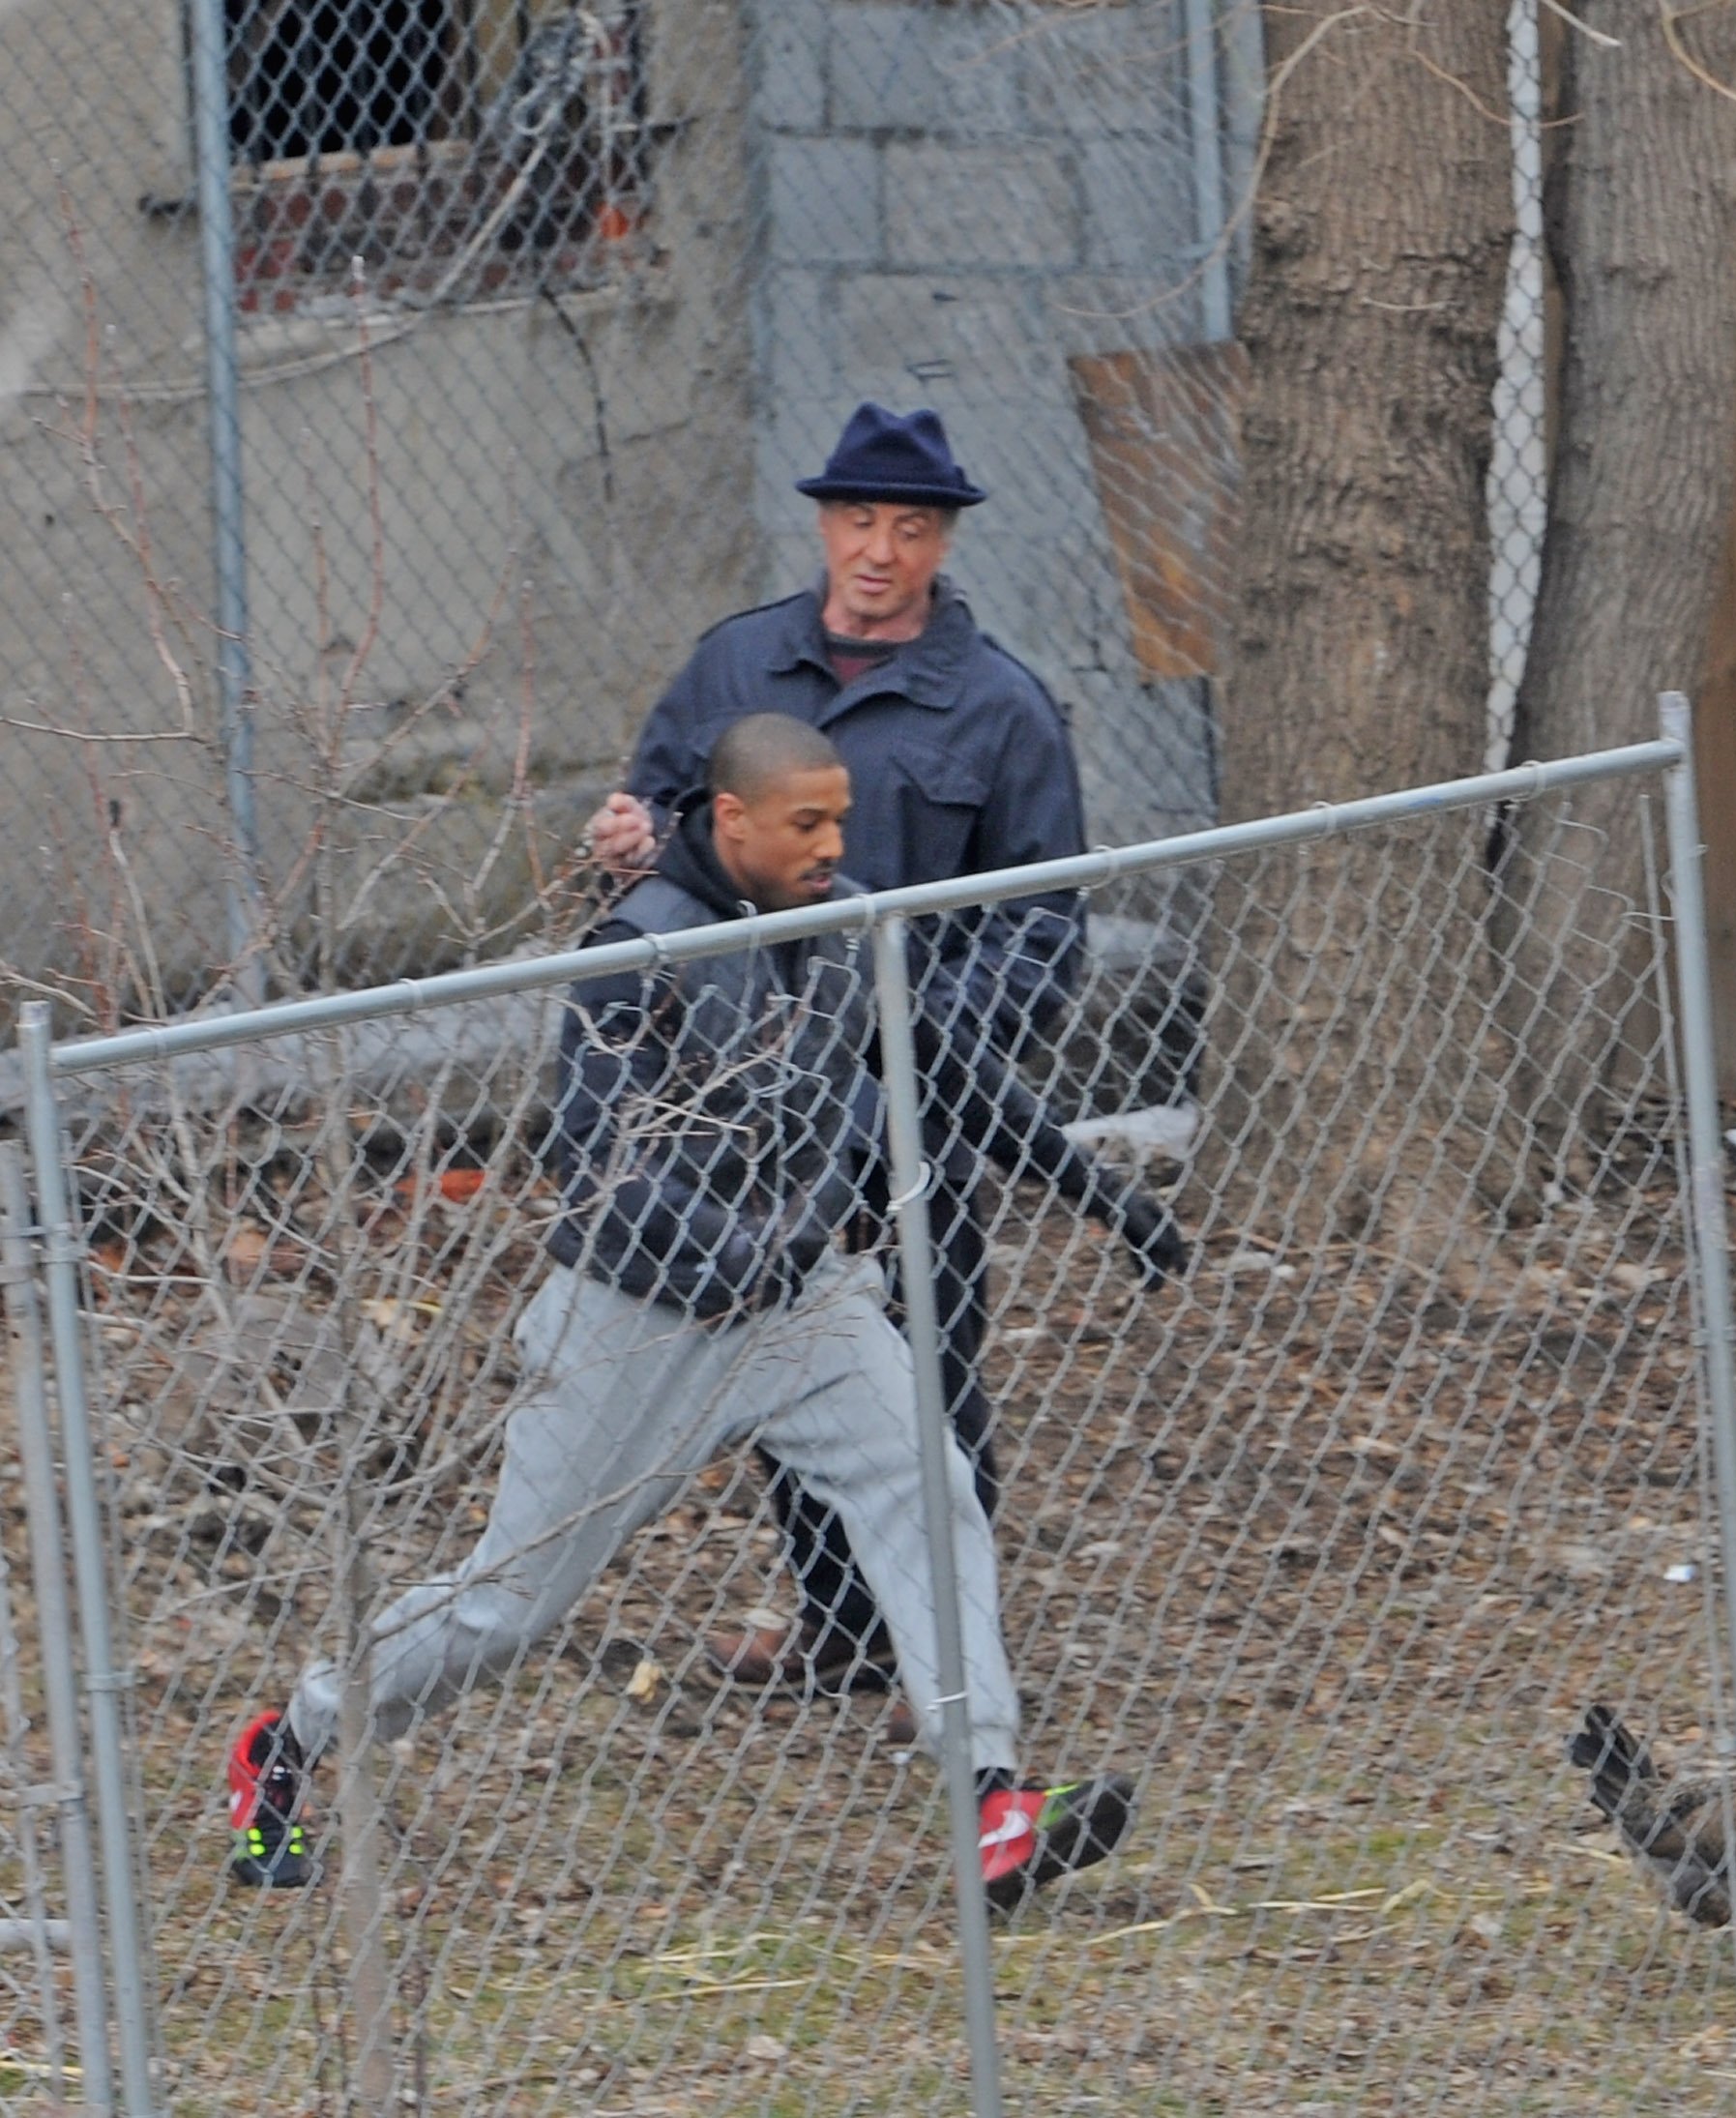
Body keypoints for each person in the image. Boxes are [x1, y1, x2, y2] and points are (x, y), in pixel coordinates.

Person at [227, 716, 1133, 1908]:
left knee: (929, 1481)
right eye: (806, 823)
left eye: (840, 819)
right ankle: (287, 1744)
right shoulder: (636, 948)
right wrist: (747, 1243)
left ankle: (992, 1800)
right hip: (635, 1317)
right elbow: (595, 1163)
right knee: (509, 1605)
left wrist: (1096, 1189)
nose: (832, 843)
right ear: (731, 818)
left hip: (799, 1304)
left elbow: (938, 1063)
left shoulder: (840, 923)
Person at [582, 402, 1189, 1717]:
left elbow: (1041, 928)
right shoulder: (733, 666)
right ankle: (840, 1631)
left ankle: (948, 1662)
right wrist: (632, 842)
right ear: (824, 524)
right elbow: (665, 833)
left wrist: (919, 1052)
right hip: (754, 1108)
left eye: (910, 529)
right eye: (860, 521)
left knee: (928, 1379)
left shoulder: (1003, 708)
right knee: (790, 1367)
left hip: (917, 1115)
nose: (879, 550)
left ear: (942, 543)